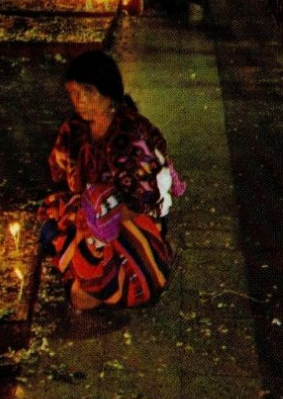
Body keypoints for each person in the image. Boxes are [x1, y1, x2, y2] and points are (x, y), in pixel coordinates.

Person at [40, 51, 185, 311]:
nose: (80, 101)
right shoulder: (74, 129)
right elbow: (59, 175)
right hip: (91, 215)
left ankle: (110, 277)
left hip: (130, 221)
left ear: (109, 93)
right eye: (74, 94)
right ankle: (94, 275)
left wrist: (102, 221)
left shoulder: (131, 132)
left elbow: (146, 200)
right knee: (53, 224)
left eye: (88, 92)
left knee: (91, 288)